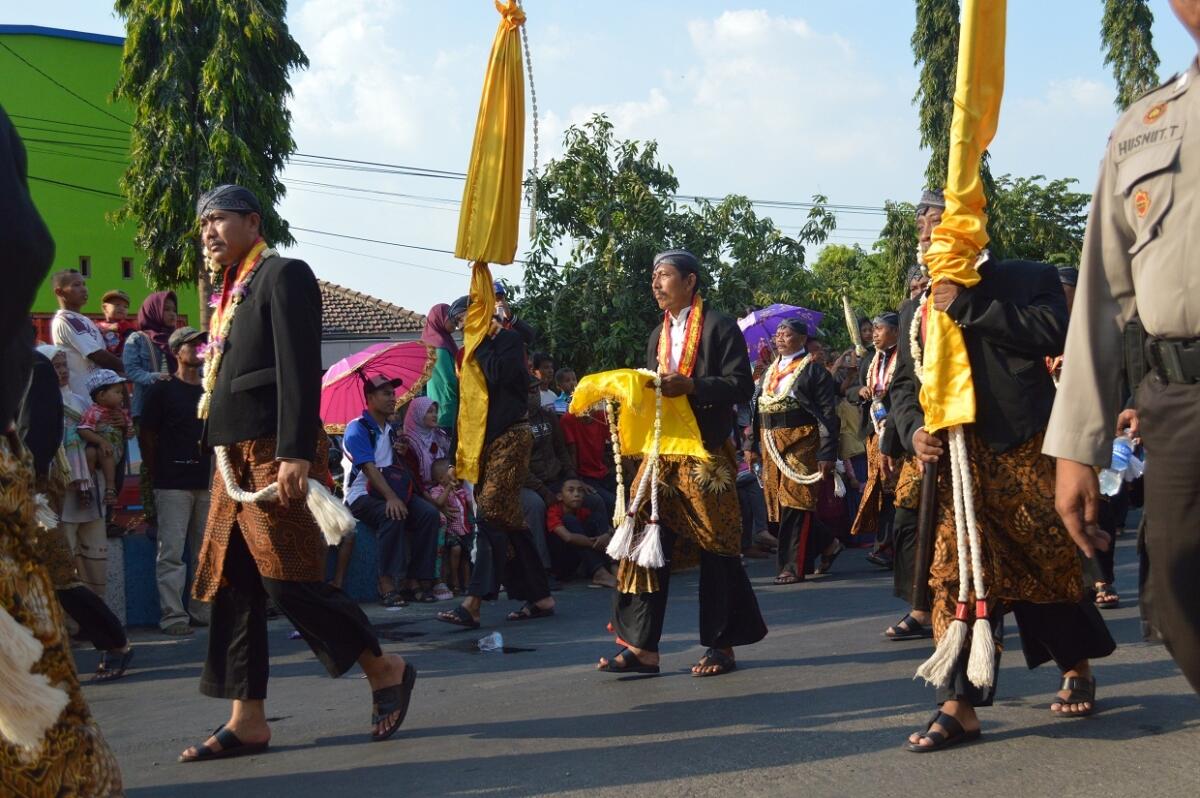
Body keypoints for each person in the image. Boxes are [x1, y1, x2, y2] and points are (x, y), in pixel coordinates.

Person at [182, 185, 414, 761]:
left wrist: (294, 452)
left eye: (219, 219)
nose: (208, 231)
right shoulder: (228, 292)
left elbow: (297, 367)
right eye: (202, 223)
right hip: (229, 456)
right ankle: (248, 720)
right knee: (233, 586)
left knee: (288, 578)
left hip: (272, 451)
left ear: (252, 222)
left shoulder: (283, 274)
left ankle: (383, 668)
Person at [890, 252, 1115, 751]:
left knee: (1041, 566)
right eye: (922, 223)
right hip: (952, 463)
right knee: (955, 576)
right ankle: (959, 703)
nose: (928, 231)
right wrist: (912, 430)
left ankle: (1076, 665)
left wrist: (970, 305)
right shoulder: (917, 305)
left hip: (1020, 449)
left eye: (937, 218)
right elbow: (905, 386)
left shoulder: (1025, 276)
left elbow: (1055, 332)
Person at [1048, 7, 1200, 696]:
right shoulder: (1146, 127)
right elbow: (1101, 297)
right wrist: (1078, 446)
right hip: (1181, 400)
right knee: (1176, 588)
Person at [0, 103, 124, 794]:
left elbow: (18, 242)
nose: (76, 289)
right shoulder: (56, 342)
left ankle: (115, 638)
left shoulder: (67, 345)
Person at [598, 249, 767, 677]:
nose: (656, 283)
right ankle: (641, 647)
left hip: (705, 451)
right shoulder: (657, 335)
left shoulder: (718, 325)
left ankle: (721, 644)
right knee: (640, 540)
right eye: (654, 276)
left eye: (665, 275)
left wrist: (691, 385)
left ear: (690, 282)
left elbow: (740, 385)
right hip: (661, 452)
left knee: (718, 543)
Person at [437, 302, 556, 629]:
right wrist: (453, 457)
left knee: (489, 510)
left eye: (465, 320)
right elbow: (466, 410)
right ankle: (540, 596)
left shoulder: (507, 341)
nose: (462, 328)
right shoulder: (467, 353)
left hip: (512, 437)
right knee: (508, 519)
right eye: (458, 324)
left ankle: (473, 602)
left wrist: (486, 339)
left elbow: (498, 376)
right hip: (482, 443)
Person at [23, 345, 135, 682]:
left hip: (28, 490)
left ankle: (115, 642)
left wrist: (29, 487)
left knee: (60, 575)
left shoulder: (31, 364)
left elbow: (39, 436)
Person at [748, 318, 845, 584]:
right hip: (770, 442)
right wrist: (750, 445)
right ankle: (828, 543)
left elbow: (827, 414)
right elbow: (756, 410)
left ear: (802, 339)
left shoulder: (814, 371)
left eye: (787, 333)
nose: (780, 337)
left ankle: (792, 566)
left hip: (802, 441)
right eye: (778, 333)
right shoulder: (768, 372)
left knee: (795, 502)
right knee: (782, 505)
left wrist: (827, 453)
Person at [140, 326, 213, 635]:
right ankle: (173, 617)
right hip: (171, 483)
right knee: (171, 553)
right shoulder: (161, 389)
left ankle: (202, 611)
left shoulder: (210, 390)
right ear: (175, 351)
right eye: (192, 343)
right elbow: (147, 436)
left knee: (204, 552)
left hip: (205, 482)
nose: (199, 347)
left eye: (202, 343)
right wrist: (158, 472)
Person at [343, 377, 440, 607]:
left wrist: (400, 452)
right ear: (370, 398)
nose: (392, 398)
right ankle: (385, 582)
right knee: (392, 512)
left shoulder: (390, 429)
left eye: (393, 394)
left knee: (429, 514)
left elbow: (393, 466)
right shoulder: (358, 427)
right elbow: (368, 467)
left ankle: (415, 579)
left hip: (389, 489)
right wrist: (391, 497)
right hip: (361, 496)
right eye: (385, 394)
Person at [850, 312, 903, 568]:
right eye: (873, 329)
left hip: (900, 432)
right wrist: (860, 390)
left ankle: (893, 547)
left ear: (895, 331)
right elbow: (848, 390)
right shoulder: (869, 360)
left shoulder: (907, 356)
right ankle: (883, 546)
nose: (874, 334)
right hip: (874, 432)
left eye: (879, 329)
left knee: (898, 490)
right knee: (881, 489)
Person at [50, 270, 125, 398]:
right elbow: (97, 355)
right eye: (76, 285)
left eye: (84, 284)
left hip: (98, 396)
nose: (84, 289)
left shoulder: (84, 320)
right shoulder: (66, 319)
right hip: (83, 397)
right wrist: (132, 369)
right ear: (59, 292)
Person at [76, 369, 133, 508]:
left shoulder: (121, 413)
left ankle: (110, 487)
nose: (121, 396)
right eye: (117, 392)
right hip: (100, 449)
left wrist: (126, 427)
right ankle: (88, 488)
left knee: (106, 453)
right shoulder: (94, 412)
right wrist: (101, 441)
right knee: (91, 452)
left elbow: (130, 433)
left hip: (115, 451)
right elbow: (83, 429)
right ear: (101, 395)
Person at [546, 477, 617, 588]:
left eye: (580, 490)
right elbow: (568, 537)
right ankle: (599, 573)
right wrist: (597, 543)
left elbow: (608, 529)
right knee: (569, 520)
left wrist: (606, 535)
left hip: (577, 560)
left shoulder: (582, 511)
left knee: (597, 518)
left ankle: (614, 566)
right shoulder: (553, 512)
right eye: (571, 490)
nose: (577, 494)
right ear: (560, 496)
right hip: (560, 563)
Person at [428, 458, 472, 595]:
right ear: (442, 479)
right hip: (451, 531)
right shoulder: (437, 490)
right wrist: (448, 488)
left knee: (466, 554)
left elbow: (469, 504)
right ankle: (455, 582)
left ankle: (467, 584)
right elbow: (439, 502)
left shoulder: (459, 490)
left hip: (464, 529)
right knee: (456, 549)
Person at [421, 302, 461, 430]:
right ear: (440, 318)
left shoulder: (437, 343)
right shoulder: (440, 346)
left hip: (439, 406)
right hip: (447, 408)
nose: (454, 321)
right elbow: (449, 380)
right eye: (450, 317)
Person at [96, 288, 136, 357]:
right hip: (102, 360)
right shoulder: (97, 326)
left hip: (121, 359)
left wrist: (118, 327)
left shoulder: (128, 326)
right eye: (117, 305)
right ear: (105, 308)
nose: (122, 308)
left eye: (125, 307)